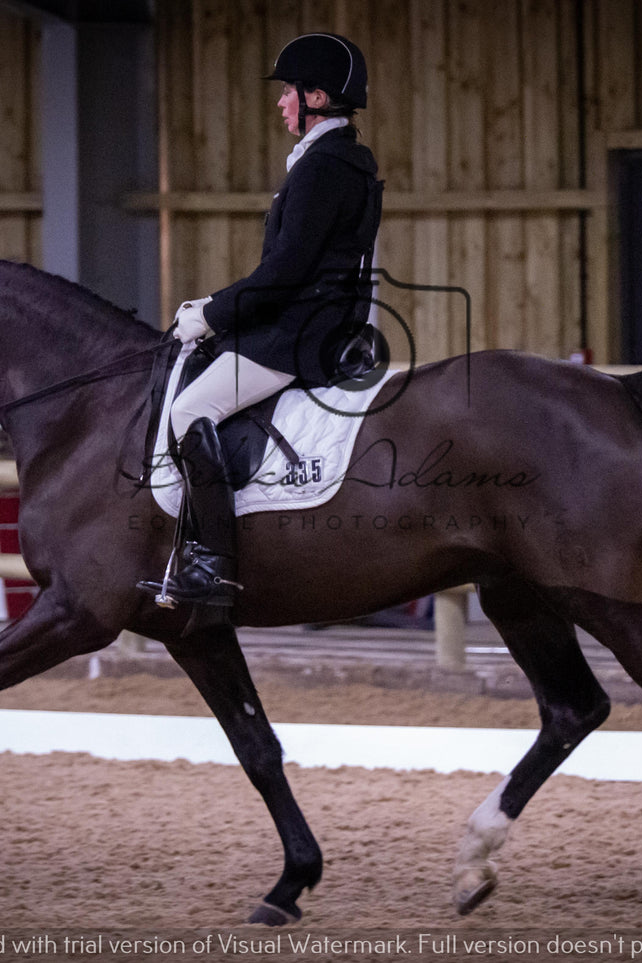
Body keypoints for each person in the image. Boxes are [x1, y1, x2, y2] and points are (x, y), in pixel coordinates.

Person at [140, 33, 383, 612]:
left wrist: (213, 314)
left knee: (189, 409)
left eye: (289, 93)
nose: (280, 103)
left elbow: (286, 270)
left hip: (300, 334)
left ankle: (215, 564)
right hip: (311, 320)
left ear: (317, 96)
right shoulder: (335, 157)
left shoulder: (325, 166)